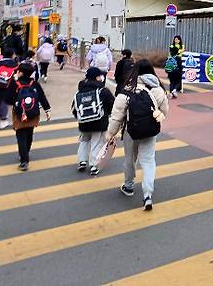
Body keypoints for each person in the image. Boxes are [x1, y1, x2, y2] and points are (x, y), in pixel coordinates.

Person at [105, 59, 169, 211]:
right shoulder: (158, 90)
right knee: (148, 161)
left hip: (130, 132)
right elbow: (164, 111)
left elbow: (116, 116)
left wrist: (110, 133)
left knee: (130, 159)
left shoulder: (127, 90)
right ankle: (147, 195)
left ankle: (128, 186)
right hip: (149, 131)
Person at [72, 67, 115, 175]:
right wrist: (108, 116)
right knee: (97, 143)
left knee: (84, 141)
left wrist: (81, 118)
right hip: (99, 123)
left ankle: (82, 161)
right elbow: (112, 105)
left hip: (84, 123)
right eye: (100, 75)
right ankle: (94, 165)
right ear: (97, 77)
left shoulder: (79, 91)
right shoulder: (102, 90)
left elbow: (74, 108)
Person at [11, 62, 51, 171]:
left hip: (20, 115)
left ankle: (24, 160)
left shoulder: (15, 84)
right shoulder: (35, 84)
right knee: (29, 134)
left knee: (21, 136)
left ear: (21, 73)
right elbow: (42, 97)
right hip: (33, 113)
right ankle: (26, 152)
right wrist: (47, 110)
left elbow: (10, 98)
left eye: (18, 71)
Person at [0, 47, 19, 129]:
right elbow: (17, 76)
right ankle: (3, 120)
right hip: (8, 85)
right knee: (4, 102)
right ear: (12, 55)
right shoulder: (15, 64)